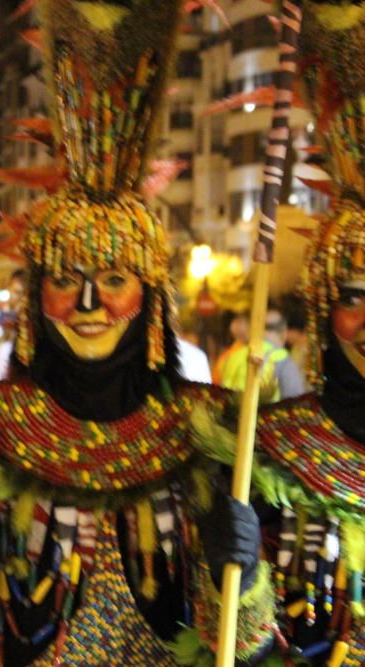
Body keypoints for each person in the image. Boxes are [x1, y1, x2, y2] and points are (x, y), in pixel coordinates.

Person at [0, 2, 274, 663]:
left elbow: (245, 651)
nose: (89, 302)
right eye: (67, 278)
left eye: (115, 278)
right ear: (37, 299)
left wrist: (243, 574)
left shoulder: (208, 435)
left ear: (153, 298)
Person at [198, 8, 365, 661]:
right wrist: (234, 574)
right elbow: (241, 647)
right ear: (324, 312)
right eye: (354, 299)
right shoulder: (269, 448)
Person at [221, 307, 305, 400]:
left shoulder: (233, 357)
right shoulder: (282, 358)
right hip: (264, 413)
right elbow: (295, 401)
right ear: (284, 333)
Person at [212, 311, 249, 384]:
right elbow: (216, 379)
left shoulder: (255, 350)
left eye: (241, 322)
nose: (236, 326)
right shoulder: (228, 353)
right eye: (235, 322)